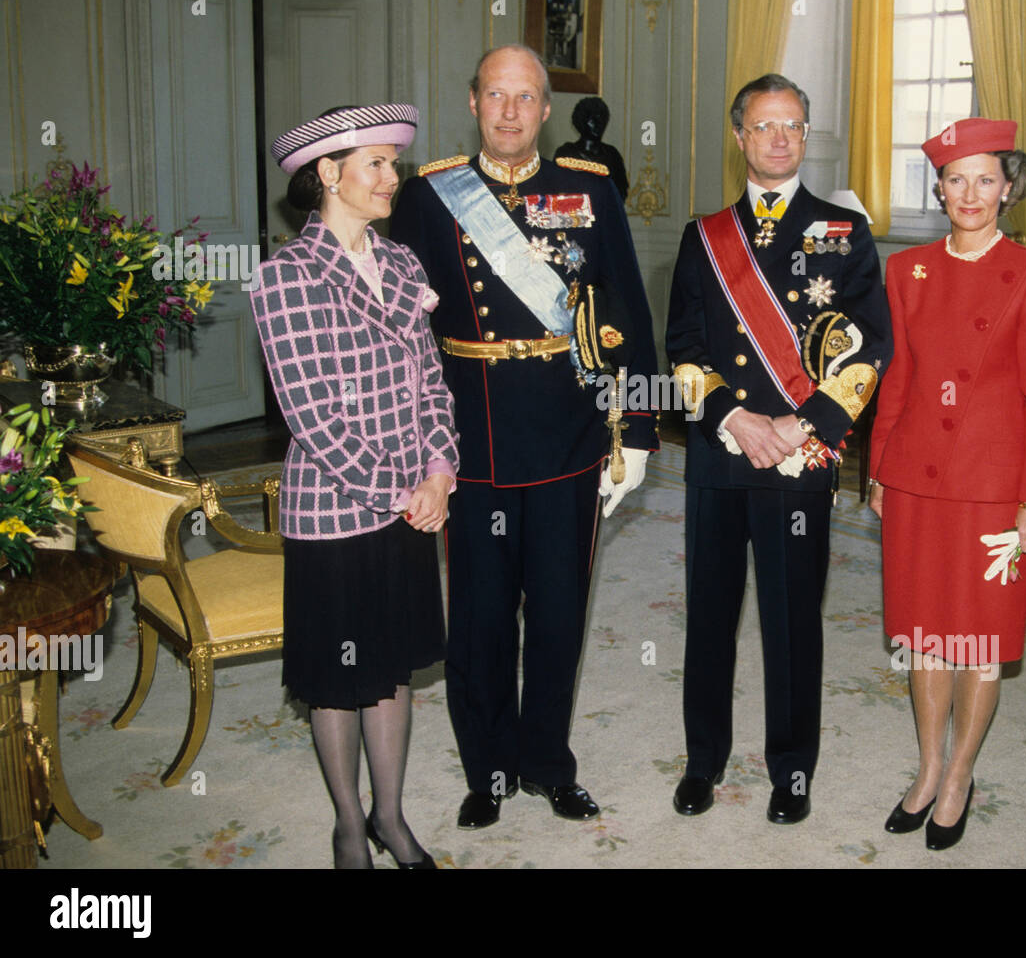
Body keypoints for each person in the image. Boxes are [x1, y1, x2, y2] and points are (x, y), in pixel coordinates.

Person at [389, 44, 658, 829]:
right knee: (477, 619)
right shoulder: (430, 197)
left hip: (568, 433)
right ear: (473, 102)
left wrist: (634, 428)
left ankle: (547, 761)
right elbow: (403, 332)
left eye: (526, 97)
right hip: (466, 439)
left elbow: (629, 316)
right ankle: (489, 771)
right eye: (496, 96)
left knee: (559, 612)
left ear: (546, 108)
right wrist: (412, 445)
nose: (510, 111)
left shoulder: (590, 190)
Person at [665, 73, 892, 824]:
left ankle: (792, 769)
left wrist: (802, 424)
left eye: (792, 125)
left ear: (805, 134)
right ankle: (704, 759)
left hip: (800, 453)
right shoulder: (704, 237)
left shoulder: (843, 231)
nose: (778, 138)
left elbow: (868, 349)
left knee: (793, 618)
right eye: (764, 126)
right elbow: (684, 352)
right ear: (739, 137)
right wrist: (736, 418)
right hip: (723, 454)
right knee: (711, 613)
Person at [252, 103, 459, 869]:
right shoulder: (286, 278)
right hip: (335, 514)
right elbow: (313, 418)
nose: (391, 176)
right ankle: (347, 822)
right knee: (341, 680)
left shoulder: (404, 264)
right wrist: (401, 491)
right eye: (374, 163)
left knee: (391, 666)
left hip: (409, 503)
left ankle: (392, 815)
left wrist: (440, 469)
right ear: (327, 175)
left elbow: (433, 385)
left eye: (392, 163)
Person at [867, 117, 1026, 850]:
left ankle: (959, 775)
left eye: (986, 178)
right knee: (925, 635)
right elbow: (899, 378)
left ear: (1008, 187)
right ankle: (926, 769)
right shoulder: (907, 269)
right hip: (916, 478)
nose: (971, 192)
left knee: (979, 639)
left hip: (993, 486)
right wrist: (880, 468)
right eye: (957, 178)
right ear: (941, 188)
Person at [554, 97, 630, 201]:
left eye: (602, 119)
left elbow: (621, 192)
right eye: (593, 120)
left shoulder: (612, 154)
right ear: (582, 121)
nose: (599, 124)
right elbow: (556, 190)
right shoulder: (566, 153)